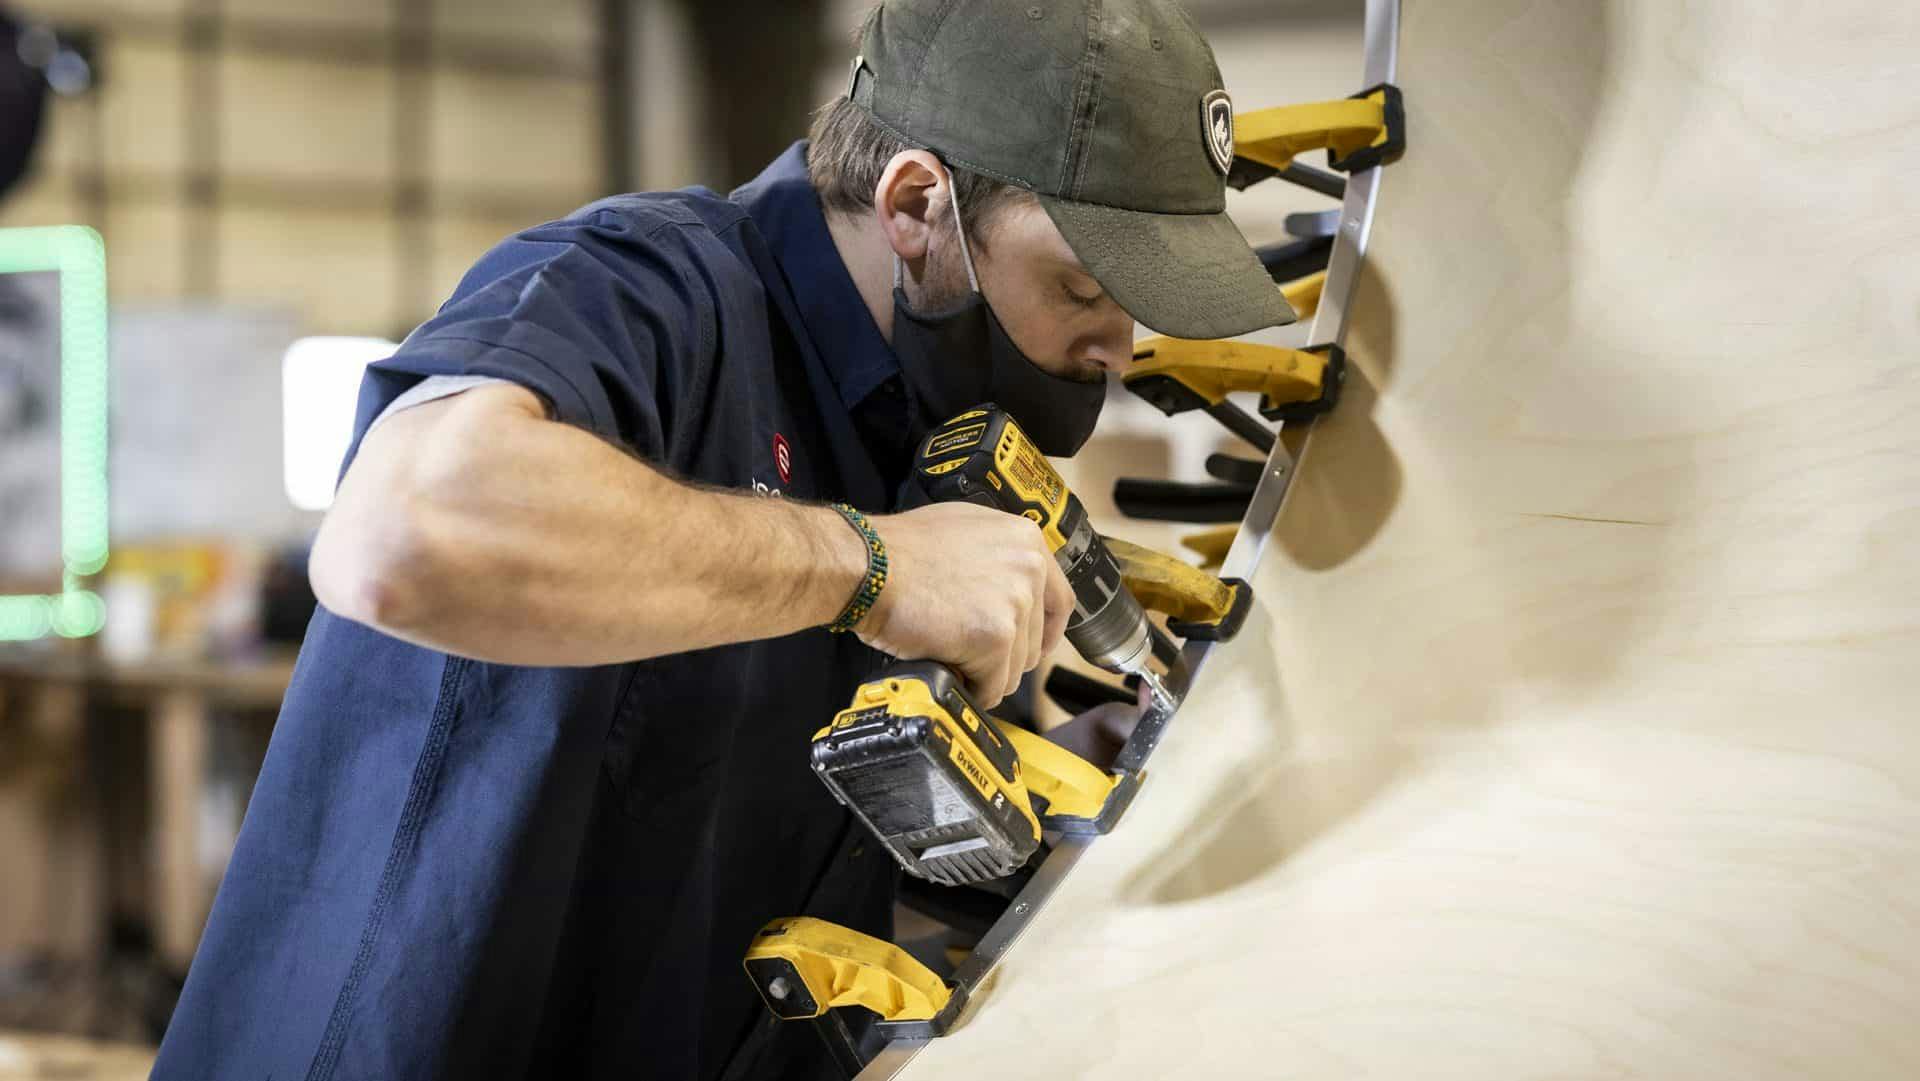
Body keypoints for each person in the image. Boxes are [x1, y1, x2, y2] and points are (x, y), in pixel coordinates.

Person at [152, 1, 1294, 1077]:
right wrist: (872, 569)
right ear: (914, 207)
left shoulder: (936, 446)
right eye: (1082, 285)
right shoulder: (646, 292)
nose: (1115, 348)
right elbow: (402, 538)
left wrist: (1040, 806)